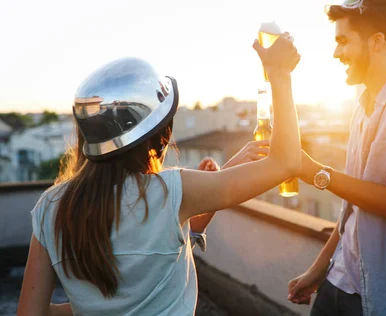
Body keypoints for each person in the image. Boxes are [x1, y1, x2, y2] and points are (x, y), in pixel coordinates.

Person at [17, 33, 302, 315]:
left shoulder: (50, 208)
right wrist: (279, 74)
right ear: (160, 136)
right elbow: (286, 162)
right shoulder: (174, 190)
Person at [287, 0, 386, 314]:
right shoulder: (362, 103)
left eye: (343, 41)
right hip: (338, 280)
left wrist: (317, 172)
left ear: (377, 41)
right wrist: (318, 269)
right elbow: (352, 209)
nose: (336, 53)